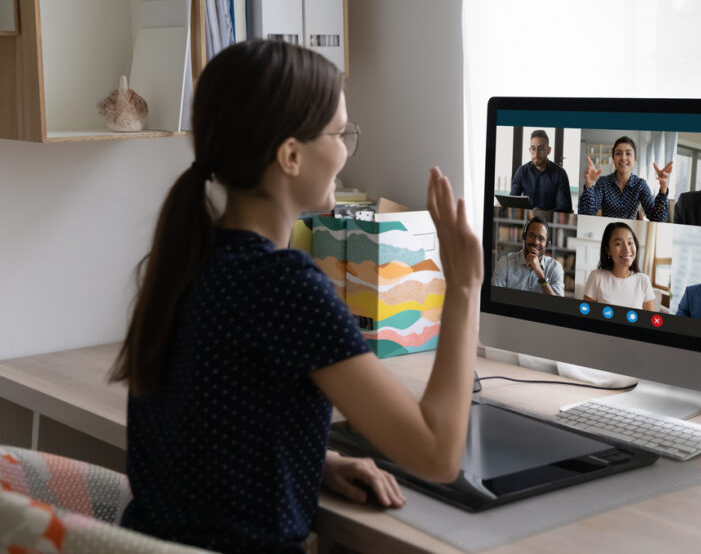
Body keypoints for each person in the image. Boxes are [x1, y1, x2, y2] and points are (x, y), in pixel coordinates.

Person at [110, 40, 483, 553]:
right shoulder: (284, 284)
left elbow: (208, 425)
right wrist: (463, 285)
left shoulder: (192, 259)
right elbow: (438, 453)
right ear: (290, 155)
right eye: (339, 133)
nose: (346, 149)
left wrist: (316, 460)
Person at [577, 136, 672, 221]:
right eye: (618, 153)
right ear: (613, 158)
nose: (623, 157)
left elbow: (656, 218)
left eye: (628, 153)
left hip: (629, 233)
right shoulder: (603, 182)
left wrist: (663, 187)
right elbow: (587, 213)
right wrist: (589, 184)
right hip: (607, 231)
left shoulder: (640, 184)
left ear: (634, 159)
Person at [582, 222, 658, 311]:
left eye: (630, 242)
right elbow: (586, 314)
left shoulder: (643, 280)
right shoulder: (596, 276)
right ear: (607, 250)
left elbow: (649, 320)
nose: (627, 249)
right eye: (618, 244)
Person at [492, 216, 565, 296]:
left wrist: (540, 273)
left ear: (547, 244)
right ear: (524, 237)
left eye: (541, 239)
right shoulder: (505, 263)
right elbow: (495, 297)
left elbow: (557, 305)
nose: (535, 242)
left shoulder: (555, 268)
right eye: (531, 236)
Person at [508, 129, 572, 212]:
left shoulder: (560, 174)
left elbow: (566, 209)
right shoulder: (522, 171)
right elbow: (512, 202)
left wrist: (544, 213)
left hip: (550, 221)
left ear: (548, 150)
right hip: (526, 219)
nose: (536, 154)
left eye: (541, 149)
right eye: (533, 149)